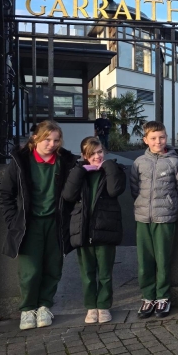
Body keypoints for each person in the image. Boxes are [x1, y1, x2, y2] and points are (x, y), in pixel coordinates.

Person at [0, 120, 78, 330]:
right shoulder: (21, 161)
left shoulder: (66, 162)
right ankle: (27, 309)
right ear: (35, 138)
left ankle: (44, 306)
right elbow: (5, 194)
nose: (51, 144)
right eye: (47, 139)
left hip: (56, 223)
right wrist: (13, 221)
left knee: (53, 267)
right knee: (30, 269)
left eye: (56, 140)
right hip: (30, 223)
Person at [62, 137, 126, 324]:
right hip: (83, 230)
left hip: (105, 228)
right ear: (84, 156)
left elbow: (114, 190)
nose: (97, 156)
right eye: (92, 154)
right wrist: (80, 171)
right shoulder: (78, 172)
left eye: (100, 152)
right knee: (87, 273)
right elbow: (68, 195)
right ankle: (91, 306)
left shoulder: (112, 170)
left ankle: (104, 306)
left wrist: (109, 166)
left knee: (105, 273)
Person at [130, 121, 178, 319]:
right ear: (145, 140)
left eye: (161, 137)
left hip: (165, 218)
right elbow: (135, 188)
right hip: (143, 218)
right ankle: (148, 296)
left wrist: (172, 207)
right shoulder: (139, 163)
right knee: (145, 260)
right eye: (153, 138)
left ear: (166, 138)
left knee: (163, 259)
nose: (158, 141)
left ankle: (163, 296)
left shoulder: (175, 162)